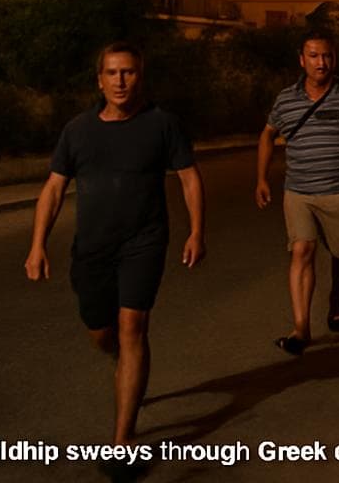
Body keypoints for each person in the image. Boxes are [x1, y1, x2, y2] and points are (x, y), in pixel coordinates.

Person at [25, 42, 205, 477]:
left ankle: (122, 442)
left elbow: (188, 178)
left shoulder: (163, 125)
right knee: (102, 334)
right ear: (99, 80)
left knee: (132, 328)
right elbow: (52, 189)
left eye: (128, 72)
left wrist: (198, 231)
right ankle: (122, 358)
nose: (121, 81)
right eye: (112, 73)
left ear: (140, 76)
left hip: (144, 243)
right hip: (92, 250)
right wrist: (37, 244)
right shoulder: (78, 130)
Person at [256, 29, 339, 355]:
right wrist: (260, 178)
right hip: (298, 192)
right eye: (314, 56)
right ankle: (301, 329)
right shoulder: (286, 99)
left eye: (327, 55)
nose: (321, 62)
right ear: (302, 60)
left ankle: (336, 296)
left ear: (335, 58)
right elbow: (267, 134)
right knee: (301, 251)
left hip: (338, 192)